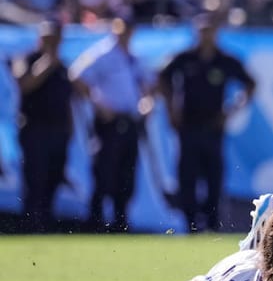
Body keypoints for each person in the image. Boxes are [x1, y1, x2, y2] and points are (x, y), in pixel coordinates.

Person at [157, 15, 256, 232]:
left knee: (214, 176)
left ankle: (212, 224)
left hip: (213, 127)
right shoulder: (184, 58)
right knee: (187, 176)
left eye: (209, 30)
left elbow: (250, 83)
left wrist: (231, 110)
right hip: (188, 126)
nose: (205, 36)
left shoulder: (225, 60)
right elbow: (162, 77)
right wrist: (171, 108)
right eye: (202, 31)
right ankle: (190, 223)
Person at [70, 16, 154, 232]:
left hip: (130, 120)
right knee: (104, 171)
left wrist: (146, 102)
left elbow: (147, 84)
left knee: (127, 172)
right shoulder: (103, 53)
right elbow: (77, 75)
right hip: (110, 121)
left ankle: (120, 220)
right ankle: (95, 220)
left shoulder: (133, 57)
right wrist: (99, 104)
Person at [11, 20, 72, 232]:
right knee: (34, 179)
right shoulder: (27, 58)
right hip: (35, 129)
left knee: (54, 179)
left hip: (58, 131)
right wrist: (47, 63)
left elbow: (67, 101)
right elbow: (23, 84)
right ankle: (29, 224)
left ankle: (46, 223)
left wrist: (69, 130)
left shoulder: (62, 67)